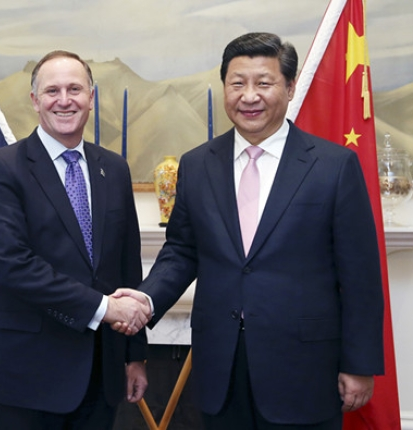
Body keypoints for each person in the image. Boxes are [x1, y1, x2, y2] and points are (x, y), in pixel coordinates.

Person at [113, 32, 385, 430]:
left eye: (264, 83)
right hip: (220, 367)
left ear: (289, 88)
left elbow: (361, 276)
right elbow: (182, 251)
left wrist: (359, 364)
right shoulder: (197, 165)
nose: (249, 96)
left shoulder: (333, 166)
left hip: (304, 369)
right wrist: (145, 301)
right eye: (237, 83)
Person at [0, 50, 151, 429]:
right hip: (29, 374)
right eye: (52, 90)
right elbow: (13, 266)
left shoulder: (114, 168)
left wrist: (134, 356)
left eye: (75, 89)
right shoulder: (2, 168)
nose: (64, 100)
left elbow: (128, 265)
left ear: (91, 97)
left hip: (102, 373)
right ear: (35, 100)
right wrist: (104, 308)